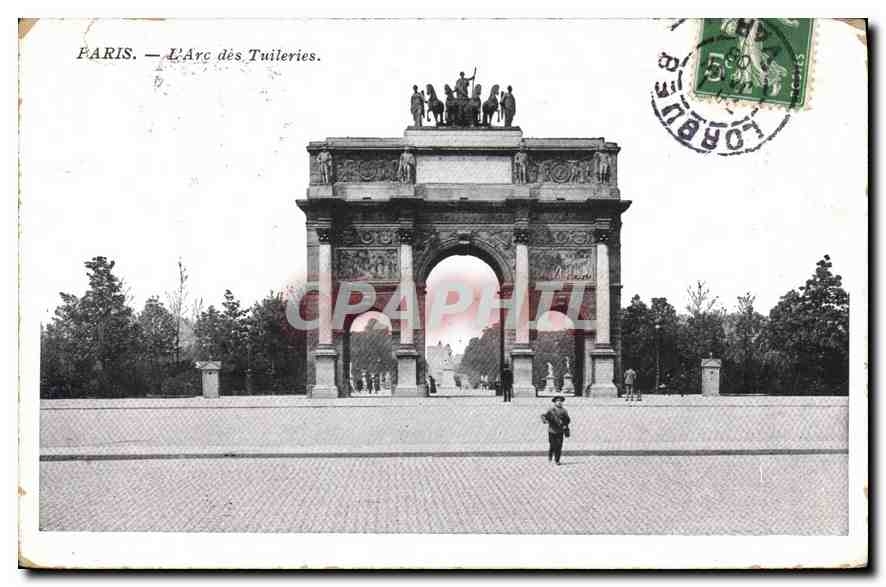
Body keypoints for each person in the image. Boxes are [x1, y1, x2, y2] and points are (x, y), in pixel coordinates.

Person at [541, 396, 570, 465]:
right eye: (557, 401)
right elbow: (544, 416)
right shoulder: (551, 410)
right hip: (552, 431)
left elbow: (567, 420)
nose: (559, 402)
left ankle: (557, 460)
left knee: (559, 446)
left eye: (560, 401)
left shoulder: (564, 411)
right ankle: (550, 454)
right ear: (555, 402)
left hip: (560, 431)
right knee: (553, 445)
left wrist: (565, 425)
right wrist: (545, 421)